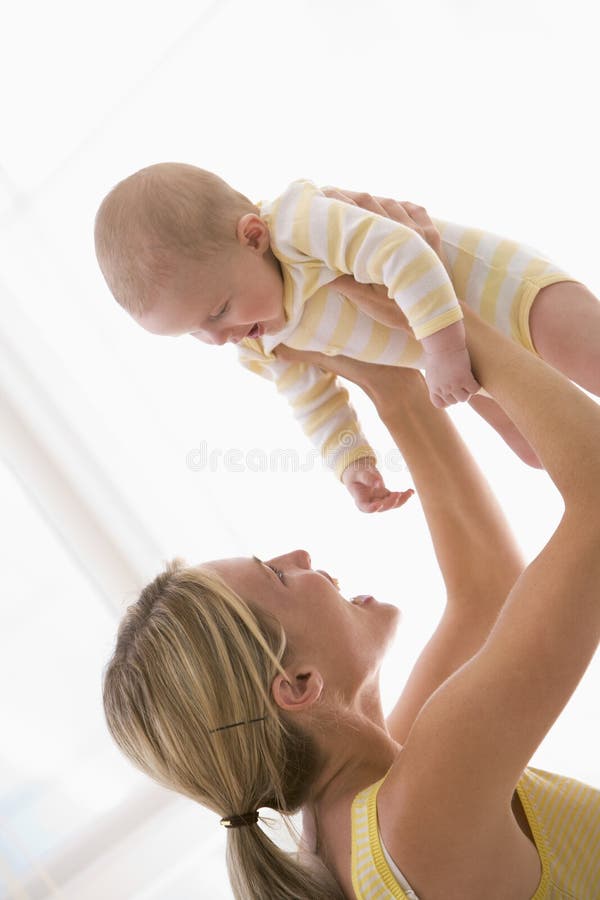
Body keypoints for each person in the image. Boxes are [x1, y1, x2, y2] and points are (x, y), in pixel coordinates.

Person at [103, 291, 600, 895]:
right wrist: (444, 317)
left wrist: (389, 378)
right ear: (297, 684)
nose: (303, 557)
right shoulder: (421, 809)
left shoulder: (358, 822)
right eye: (277, 574)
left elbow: (487, 588)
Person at [94, 163, 600, 513]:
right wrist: (350, 460)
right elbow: (310, 397)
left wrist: (444, 350)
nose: (219, 337)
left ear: (252, 237)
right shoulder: (257, 338)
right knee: (545, 453)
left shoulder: (299, 225)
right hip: (470, 361)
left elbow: (403, 252)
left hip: (505, 297)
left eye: (219, 311)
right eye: (195, 333)